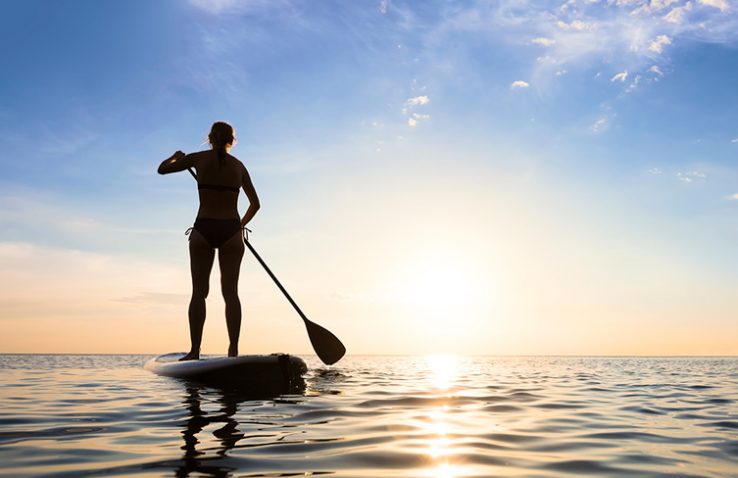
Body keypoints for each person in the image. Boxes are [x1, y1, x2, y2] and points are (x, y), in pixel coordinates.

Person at [158, 121, 260, 361]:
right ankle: (233, 351)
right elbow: (256, 204)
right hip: (232, 232)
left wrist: (175, 157)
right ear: (231, 141)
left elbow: (162, 169)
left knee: (199, 293)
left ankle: (195, 351)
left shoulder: (198, 159)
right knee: (231, 294)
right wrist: (240, 226)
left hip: (204, 229)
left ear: (210, 137)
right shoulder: (239, 166)